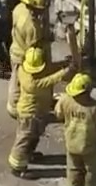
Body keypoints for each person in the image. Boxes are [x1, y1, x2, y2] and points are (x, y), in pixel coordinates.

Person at [8, 47, 71, 178]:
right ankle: (17, 166)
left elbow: (48, 71)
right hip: (29, 115)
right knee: (24, 139)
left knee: (33, 136)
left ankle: (28, 155)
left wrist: (63, 65)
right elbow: (50, 80)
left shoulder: (23, 70)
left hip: (33, 113)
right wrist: (65, 71)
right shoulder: (33, 84)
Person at [54, 73, 96, 186]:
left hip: (71, 143)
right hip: (89, 146)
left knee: (73, 170)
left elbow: (58, 114)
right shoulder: (95, 108)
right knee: (92, 171)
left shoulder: (65, 100)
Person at [7, 0, 52, 117]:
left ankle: (14, 105)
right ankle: (14, 107)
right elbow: (35, 46)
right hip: (24, 56)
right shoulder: (32, 27)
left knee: (15, 78)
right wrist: (46, 41)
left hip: (16, 48)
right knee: (20, 82)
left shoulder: (19, 9)